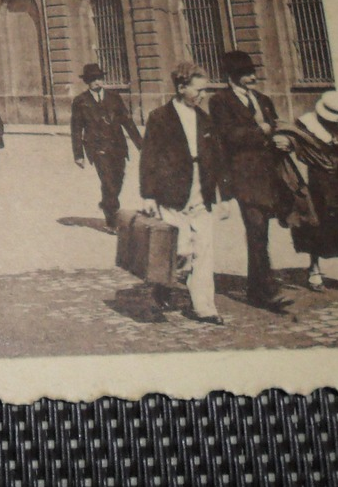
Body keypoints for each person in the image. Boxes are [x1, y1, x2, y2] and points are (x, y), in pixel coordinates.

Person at [139, 62, 228, 325]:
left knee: (204, 251)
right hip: (172, 194)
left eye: (205, 90)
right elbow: (149, 158)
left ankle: (204, 307)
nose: (203, 95)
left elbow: (217, 157)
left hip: (202, 193)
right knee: (178, 251)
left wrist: (223, 194)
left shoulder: (204, 118)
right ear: (181, 87)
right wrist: (148, 195)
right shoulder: (160, 117)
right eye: (198, 90)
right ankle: (160, 290)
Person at [207, 49, 292, 309]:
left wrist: (285, 140)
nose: (252, 78)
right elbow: (229, 136)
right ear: (231, 76)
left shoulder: (264, 100)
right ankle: (265, 291)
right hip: (243, 177)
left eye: (252, 72)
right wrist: (262, 131)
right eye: (245, 74)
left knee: (262, 232)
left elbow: (277, 125)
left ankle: (257, 289)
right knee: (256, 231)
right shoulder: (220, 101)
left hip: (270, 176)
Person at [278, 91, 338, 289]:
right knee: (316, 224)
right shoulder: (306, 125)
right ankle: (314, 268)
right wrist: (288, 143)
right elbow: (293, 139)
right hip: (317, 183)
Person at [70, 62, 143, 228]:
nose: (97, 82)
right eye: (93, 79)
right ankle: (112, 221)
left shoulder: (114, 98)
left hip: (118, 148)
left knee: (118, 180)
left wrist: (141, 145)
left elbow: (128, 122)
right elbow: (76, 129)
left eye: (99, 78)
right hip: (98, 149)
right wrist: (78, 155)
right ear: (87, 81)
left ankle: (106, 203)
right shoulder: (80, 101)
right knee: (108, 182)